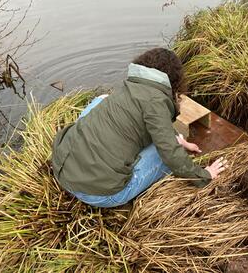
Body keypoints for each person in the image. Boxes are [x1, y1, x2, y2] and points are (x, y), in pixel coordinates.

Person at [51, 48, 226, 208]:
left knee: (102, 99)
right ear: (173, 79)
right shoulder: (157, 101)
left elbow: (155, 124)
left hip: (62, 168)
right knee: (164, 155)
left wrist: (177, 139)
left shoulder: (131, 86)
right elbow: (171, 155)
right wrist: (205, 175)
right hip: (99, 194)